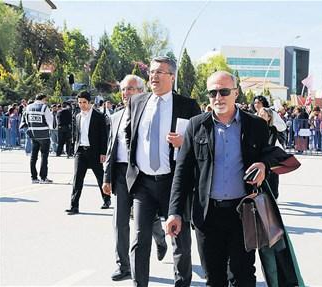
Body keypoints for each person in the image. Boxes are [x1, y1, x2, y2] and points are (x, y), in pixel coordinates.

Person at [166, 71, 275, 286]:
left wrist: (265, 165)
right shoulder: (196, 125)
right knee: (215, 278)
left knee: (243, 277)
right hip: (208, 216)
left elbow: (273, 156)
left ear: (236, 93)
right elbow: (183, 172)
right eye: (213, 92)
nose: (218, 97)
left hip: (243, 214)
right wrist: (174, 212)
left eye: (224, 91)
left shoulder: (256, 126)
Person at [124, 56, 201, 287]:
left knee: (180, 239)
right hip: (143, 183)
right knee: (139, 239)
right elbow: (129, 133)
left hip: (174, 182)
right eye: (152, 72)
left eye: (160, 72)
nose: (154, 77)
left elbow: (201, 140)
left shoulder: (188, 105)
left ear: (172, 76)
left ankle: (182, 283)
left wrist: (185, 142)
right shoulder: (137, 102)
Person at [102, 75, 168, 281]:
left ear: (141, 91)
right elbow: (111, 149)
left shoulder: (149, 115)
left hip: (141, 174)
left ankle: (160, 239)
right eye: (123, 89)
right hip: (121, 174)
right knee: (120, 220)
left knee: (149, 218)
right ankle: (123, 265)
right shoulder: (115, 117)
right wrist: (107, 177)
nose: (125, 93)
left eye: (130, 89)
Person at [65, 91, 110, 215]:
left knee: (100, 178)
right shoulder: (77, 115)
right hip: (80, 151)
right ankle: (74, 206)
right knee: (77, 179)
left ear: (90, 102)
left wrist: (103, 152)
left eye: (84, 102)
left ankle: (107, 199)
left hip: (94, 152)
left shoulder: (99, 116)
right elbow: (76, 133)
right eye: (79, 102)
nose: (82, 105)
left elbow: (103, 136)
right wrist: (74, 147)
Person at [20, 93, 54, 184]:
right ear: (43, 99)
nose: (46, 101)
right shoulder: (44, 107)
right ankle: (43, 177)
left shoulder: (28, 107)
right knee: (44, 156)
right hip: (44, 135)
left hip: (33, 135)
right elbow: (50, 122)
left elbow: (26, 120)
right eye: (45, 100)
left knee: (33, 156)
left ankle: (34, 177)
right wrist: (51, 128)